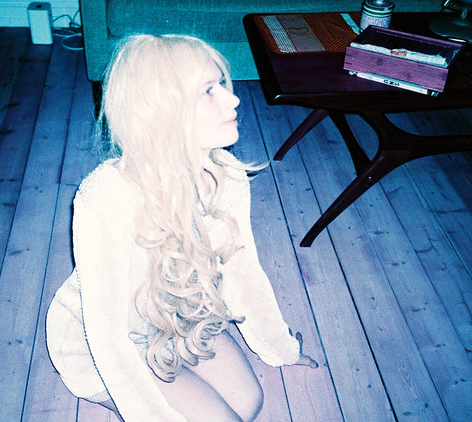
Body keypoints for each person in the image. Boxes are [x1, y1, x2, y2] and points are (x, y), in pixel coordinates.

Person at [45, 34, 317, 422]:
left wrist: (280, 347)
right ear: (160, 111)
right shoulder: (105, 197)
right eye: (208, 91)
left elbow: (243, 272)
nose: (233, 99)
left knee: (248, 403)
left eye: (221, 83)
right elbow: (108, 339)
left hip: (178, 319)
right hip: (103, 343)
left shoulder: (225, 175)